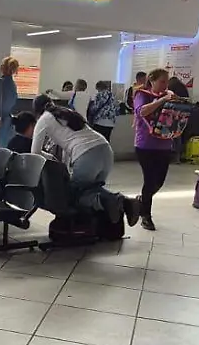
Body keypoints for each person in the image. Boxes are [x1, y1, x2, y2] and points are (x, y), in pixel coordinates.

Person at [32, 99, 139, 226]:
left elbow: (35, 152)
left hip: (87, 155)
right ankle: (125, 203)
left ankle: (117, 201)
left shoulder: (43, 119)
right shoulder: (67, 113)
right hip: (105, 151)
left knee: (76, 195)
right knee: (92, 190)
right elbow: (68, 147)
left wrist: (51, 158)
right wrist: (66, 168)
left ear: (37, 112)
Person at [131, 69, 181, 231]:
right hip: (145, 145)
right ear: (152, 81)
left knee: (159, 182)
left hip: (165, 144)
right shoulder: (142, 94)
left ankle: (142, 200)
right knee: (150, 180)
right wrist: (161, 100)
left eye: (167, 82)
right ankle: (146, 216)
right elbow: (141, 111)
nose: (165, 85)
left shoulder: (168, 95)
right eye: (162, 82)